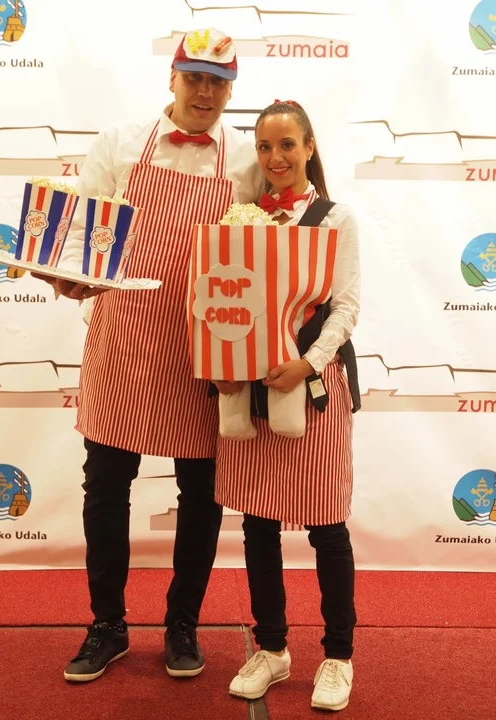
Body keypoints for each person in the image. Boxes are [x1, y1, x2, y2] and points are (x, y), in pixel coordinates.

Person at [33, 28, 262, 683]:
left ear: (231, 90)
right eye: (194, 77)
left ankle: (182, 625)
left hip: (204, 350)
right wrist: (64, 274)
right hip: (125, 339)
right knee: (105, 488)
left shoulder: (247, 161)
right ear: (172, 77)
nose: (204, 92)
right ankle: (106, 624)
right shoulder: (120, 143)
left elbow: (266, 251)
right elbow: (78, 231)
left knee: (201, 494)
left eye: (218, 81)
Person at [213, 100, 361, 711]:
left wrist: (308, 363)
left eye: (287, 145)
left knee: (327, 526)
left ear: (309, 147)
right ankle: (272, 648)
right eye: (265, 147)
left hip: (314, 388)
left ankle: (338, 656)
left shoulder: (334, 218)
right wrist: (222, 364)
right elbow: (221, 298)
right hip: (252, 387)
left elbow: (346, 307)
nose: (276, 158)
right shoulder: (240, 217)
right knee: (258, 523)